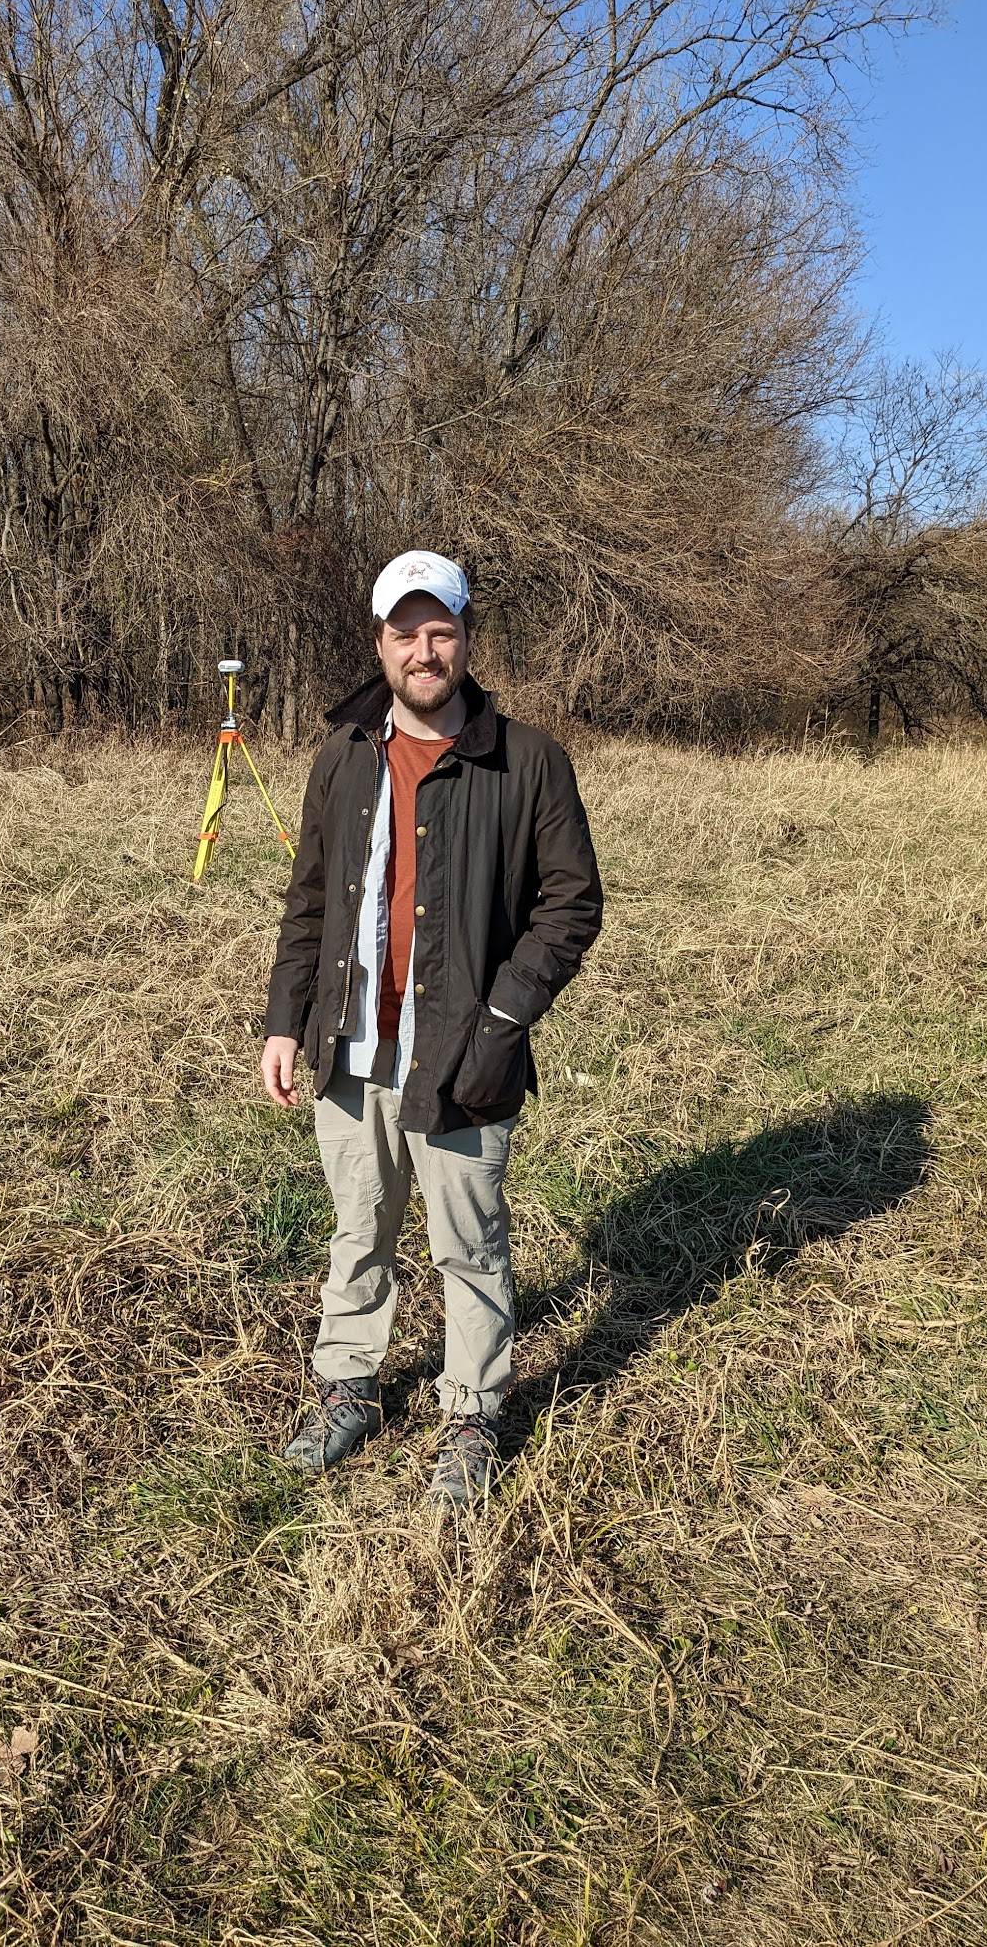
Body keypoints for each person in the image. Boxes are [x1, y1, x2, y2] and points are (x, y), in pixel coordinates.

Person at [260, 549, 603, 1506]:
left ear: (464, 639)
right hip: (349, 1044)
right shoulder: (343, 754)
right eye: (404, 632)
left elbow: (571, 905)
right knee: (358, 1228)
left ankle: (471, 1412)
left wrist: (502, 1017)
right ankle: (350, 1390)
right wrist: (286, 1020)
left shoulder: (525, 759)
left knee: (469, 1241)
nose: (423, 649)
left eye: (440, 629)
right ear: (380, 643)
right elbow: (311, 899)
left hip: (466, 1052)